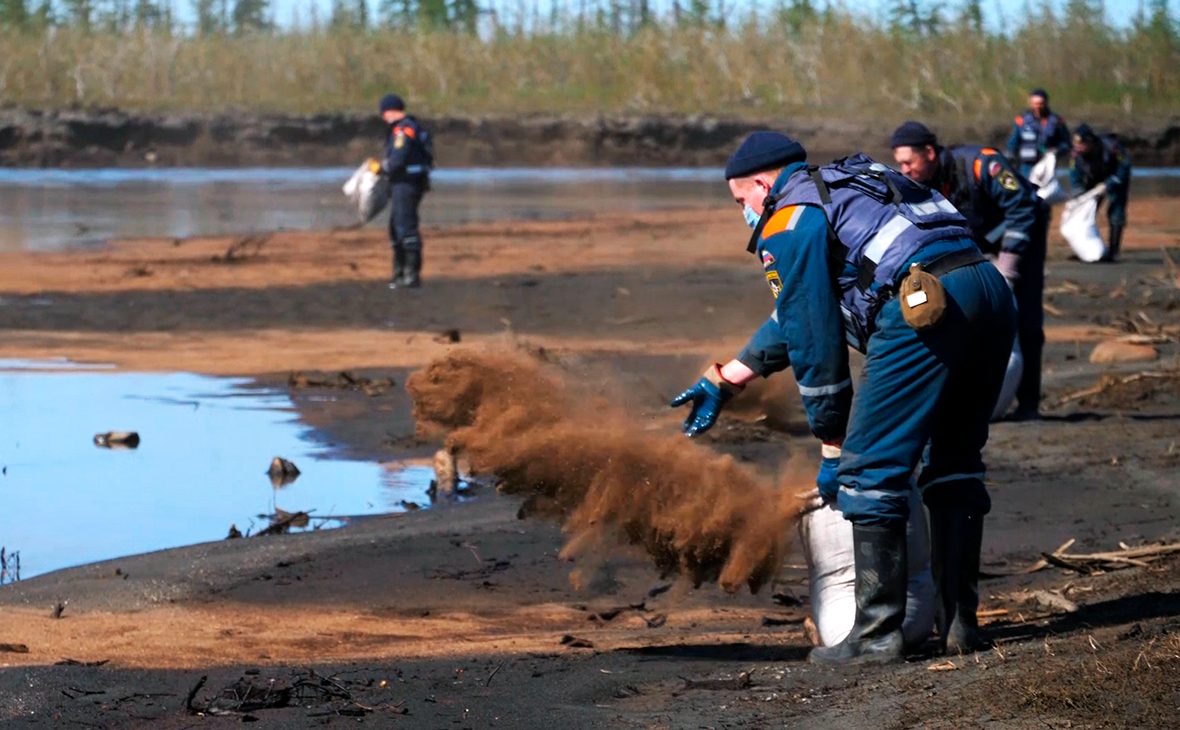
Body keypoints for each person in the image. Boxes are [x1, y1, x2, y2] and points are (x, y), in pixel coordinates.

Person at [670, 132, 1016, 665]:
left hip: (925, 306)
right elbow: (802, 309)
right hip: (989, 293)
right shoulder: (855, 182)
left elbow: (814, 340)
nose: (746, 213)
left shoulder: (788, 218)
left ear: (763, 184)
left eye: (742, 202)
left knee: (869, 469)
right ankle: (960, 626)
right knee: (954, 463)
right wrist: (726, 378)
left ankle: (876, 635)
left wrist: (834, 442)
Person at [891, 122, 1047, 421]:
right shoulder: (919, 185)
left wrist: (1009, 267)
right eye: (900, 164)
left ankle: (1029, 404)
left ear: (929, 153)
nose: (905, 170)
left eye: (909, 162)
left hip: (1024, 230)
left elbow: (1022, 208)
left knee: (1025, 317)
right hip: (980, 236)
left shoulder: (981, 163)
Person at [371, 93, 434, 289]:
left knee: (405, 226)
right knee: (396, 227)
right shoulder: (405, 127)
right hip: (404, 182)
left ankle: (411, 275)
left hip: (407, 183)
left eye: (384, 113)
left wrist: (382, 168)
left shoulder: (403, 129)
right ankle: (399, 273)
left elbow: (399, 157)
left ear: (389, 112)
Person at [1070, 124, 1132, 262]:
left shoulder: (1112, 147)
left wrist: (1111, 183)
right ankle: (1083, 249)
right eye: (1076, 144)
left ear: (1090, 142)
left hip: (1115, 177)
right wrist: (1078, 192)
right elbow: (1074, 174)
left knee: (1116, 213)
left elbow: (1124, 167)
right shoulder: (1076, 154)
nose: (1078, 147)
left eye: (1082, 144)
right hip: (1092, 179)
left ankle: (1113, 251)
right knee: (1085, 213)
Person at [1006, 88, 1071, 177]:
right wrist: (1011, 157)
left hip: (1047, 165)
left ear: (1046, 103)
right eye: (1035, 104)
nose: (1038, 107)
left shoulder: (1056, 121)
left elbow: (1066, 143)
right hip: (1026, 166)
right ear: (1031, 104)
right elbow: (1012, 143)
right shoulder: (1021, 120)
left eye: (1041, 104)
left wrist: (1057, 151)